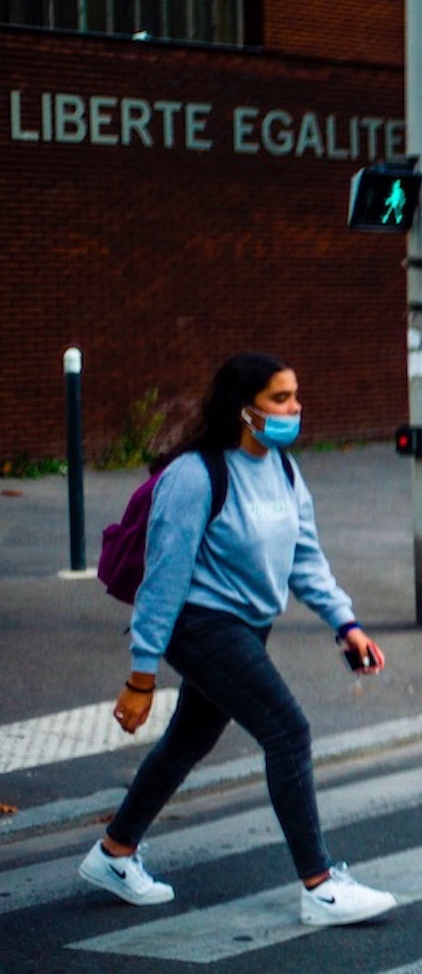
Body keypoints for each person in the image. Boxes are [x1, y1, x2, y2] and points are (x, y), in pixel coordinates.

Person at [79, 353, 398, 927]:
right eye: (280, 398)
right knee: (287, 731)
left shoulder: (283, 471)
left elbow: (305, 559)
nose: (295, 408)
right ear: (244, 409)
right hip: (200, 625)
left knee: (189, 740)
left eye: (295, 396)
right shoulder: (195, 476)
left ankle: (114, 852)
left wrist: (346, 625)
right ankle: (320, 887)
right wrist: (141, 676)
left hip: (248, 626)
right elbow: (162, 580)